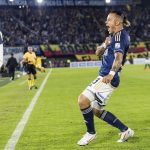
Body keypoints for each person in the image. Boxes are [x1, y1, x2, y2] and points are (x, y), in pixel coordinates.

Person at [77, 10, 134, 146]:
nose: (106, 22)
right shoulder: (112, 36)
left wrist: (111, 74)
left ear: (117, 22)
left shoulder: (120, 36)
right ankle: (126, 130)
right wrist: (105, 44)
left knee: (83, 100)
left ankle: (91, 133)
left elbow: (119, 58)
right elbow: (97, 53)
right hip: (106, 76)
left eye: (109, 19)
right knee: (96, 110)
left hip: (107, 77)